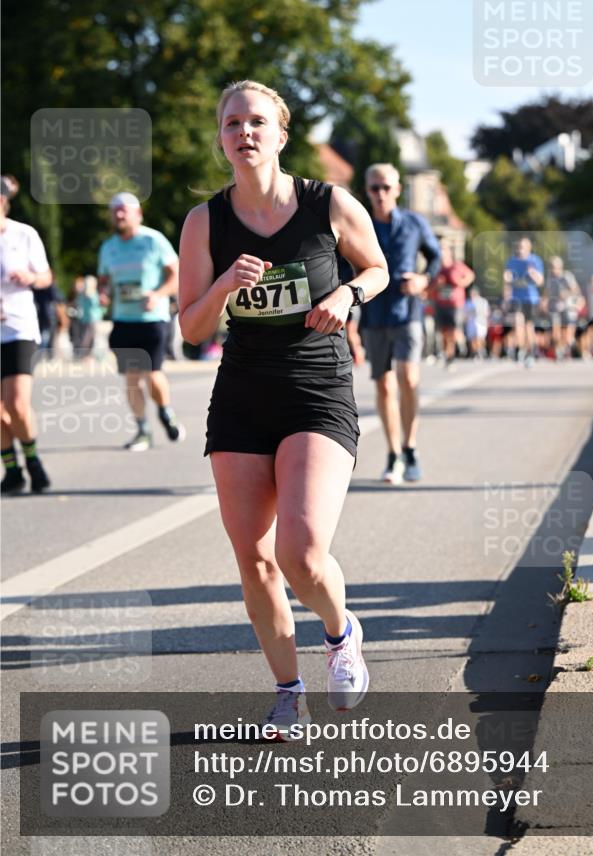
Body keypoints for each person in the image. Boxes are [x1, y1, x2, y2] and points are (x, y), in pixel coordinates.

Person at [178, 80, 388, 740]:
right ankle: (286, 693)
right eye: (232, 122)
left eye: (257, 121)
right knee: (256, 561)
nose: (244, 132)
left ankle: (340, 632)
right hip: (240, 395)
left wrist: (350, 296)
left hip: (316, 389)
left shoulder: (326, 202)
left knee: (300, 550)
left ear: (281, 134)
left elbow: (377, 267)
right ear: (220, 138)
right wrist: (221, 286)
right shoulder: (203, 221)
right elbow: (189, 328)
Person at [359, 163, 441, 484]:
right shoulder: (360, 224)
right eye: (374, 188)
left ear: (397, 190)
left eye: (386, 187)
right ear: (367, 190)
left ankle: (410, 447)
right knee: (384, 383)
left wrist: (423, 280)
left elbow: (435, 258)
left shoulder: (414, 223)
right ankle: (393, 453)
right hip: (374, 313)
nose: (380, 194)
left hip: (408, 311)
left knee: (409, 377)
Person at [97, 192, 185, 451]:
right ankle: (142, 430)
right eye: (115, 211)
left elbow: (176, 276)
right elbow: (104, 281)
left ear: (138, 214)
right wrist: (103, 294)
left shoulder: (153, 240)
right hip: (123, 321)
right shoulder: (108, 247)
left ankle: (165, 411)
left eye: (124, 210)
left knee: (153, 374)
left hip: (152, 319)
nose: (119, 215)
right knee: (132, 378)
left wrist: (157, 294)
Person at [0, 176, 52, 494]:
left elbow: (46, 277)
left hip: (19, 327)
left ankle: (33, 462)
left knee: (17, 405)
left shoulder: (23, 234)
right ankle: (12, 469)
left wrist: (31, 276)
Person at [429, 242, 475, 367]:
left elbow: (470, 275)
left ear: (449, 252)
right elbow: (429, 288)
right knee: (443, 332)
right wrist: (437, 285)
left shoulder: (457, 266)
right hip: (440, 303)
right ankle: (446, 354)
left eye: (444, 250)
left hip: (455, 304)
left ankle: (452, 354)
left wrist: (460, 282)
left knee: (452, 330)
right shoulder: (436, 268)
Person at [503, 236, 544, 367]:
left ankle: (531, 352)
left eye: (523, 247)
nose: (520, 250)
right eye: (519, 247)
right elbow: (507, 281)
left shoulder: (535, 260)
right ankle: (520, 350)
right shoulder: (512, 261)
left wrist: (533, 274)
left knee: (529, 327)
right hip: (516, 298)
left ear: (529, 248)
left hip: (531, 298)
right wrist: (506, 296)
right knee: (518, 323)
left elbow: (540, 281)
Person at [545, 256, 582, 359]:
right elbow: (547, 292)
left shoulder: (567, 276)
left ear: (560, 267)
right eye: (551, 267)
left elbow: (576, 290)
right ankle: (559, 350)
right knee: (555, 330)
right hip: (554, 307)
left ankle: (567, 347)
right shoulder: (550, 278)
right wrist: (544, 301)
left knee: (566, 333)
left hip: (567, 307)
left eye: (555, 267)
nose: (553, 269)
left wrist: (566, 293)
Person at [464, 285, 490, 359]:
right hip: (471, 323)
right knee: (473, 338)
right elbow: (465, 313)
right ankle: (475, 352)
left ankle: (481, 350)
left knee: (480, 338)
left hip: (481, 322)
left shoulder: (483, 301)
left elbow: (486, 313)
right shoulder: (468, 302)